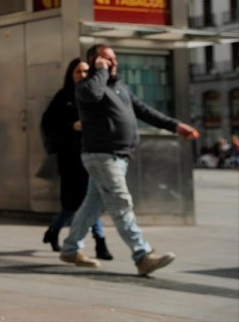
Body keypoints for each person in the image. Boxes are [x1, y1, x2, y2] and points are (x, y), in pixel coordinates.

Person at [59, 44, 199, 275]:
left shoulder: (120, 88)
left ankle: (70, 248)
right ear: (95, 61)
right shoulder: (87, 86)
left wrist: (175, 126)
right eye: (106, 59)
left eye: (114, 59)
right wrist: (100, 71)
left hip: (118, 156)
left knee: (92, 205)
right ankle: (142, 255)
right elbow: (93, 93)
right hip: (101, 156)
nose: (113, 62)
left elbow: (144, 111)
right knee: (121, 203)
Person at [40, 58, 112, 260]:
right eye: (78, 72)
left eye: (86, 72)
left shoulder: (94, 95)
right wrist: (72, 126)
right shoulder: (63, 97)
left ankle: (99, 242)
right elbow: (49, 124)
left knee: (91, 199)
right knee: (73, 203)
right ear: (71, 75)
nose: (82, 75)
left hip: (93, 154)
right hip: (71, 158)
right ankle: (56, 231)